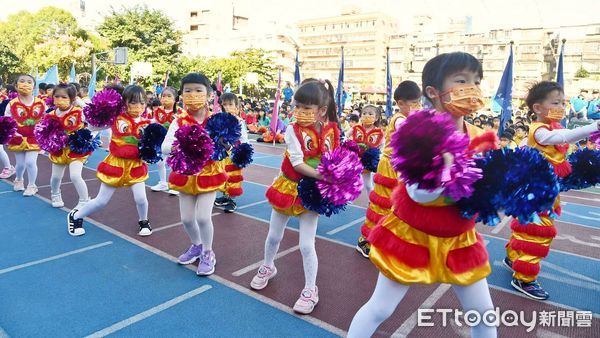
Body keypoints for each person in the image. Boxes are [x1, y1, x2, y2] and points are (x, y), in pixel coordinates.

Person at [348, 52, 496, 338]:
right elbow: (418, 194)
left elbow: (485, 191)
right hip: (411, 236)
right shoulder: (416, 132)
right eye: (462, 81)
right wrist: (450, 173)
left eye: (476, 81)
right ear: (433, 92)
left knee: (484, 317)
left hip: (460, 239)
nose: (473, 89)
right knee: (380, 309)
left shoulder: (479, 134)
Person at [504, 81, 600, 300]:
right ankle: (523, 278)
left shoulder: (554, 127)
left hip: (544, 188)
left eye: (562, 102)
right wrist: (595, 127)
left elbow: (563, 136)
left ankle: (513, 257)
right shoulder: (540, 131)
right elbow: (563, 138)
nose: (561, 107)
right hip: (537, 192)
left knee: (527, 226)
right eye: (555, 103)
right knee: (539, 232)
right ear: (538, 108)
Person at [251, 79, 340, 315]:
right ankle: (268, 266)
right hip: (288, 187)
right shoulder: (292, 129)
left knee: (306, 244)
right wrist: (327, 177)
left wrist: (340, 174)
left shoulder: (332, 129)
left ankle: (311, 288)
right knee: (273, 236)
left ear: (321, 110)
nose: (299, 112)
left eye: (306, 108)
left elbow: (335, 157)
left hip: (312, 192)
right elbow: (298, 164)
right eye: (297, 106)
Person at [162, 73, 229, 276]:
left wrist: (225, 144)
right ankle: (196, 245)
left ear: (209, 95)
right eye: (188, 91)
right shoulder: (179, 121)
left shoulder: (217, 121)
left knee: (202, 217)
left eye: (198, 90)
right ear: (181, 95)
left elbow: (235, 142)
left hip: (209, 175)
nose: (193, 95)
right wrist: (183, 145)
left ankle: (208, 252)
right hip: (185, 174)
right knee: (187, 219)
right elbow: (165, 146)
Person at [67, 85, 152, 237]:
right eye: (133, 102)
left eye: (141, 102)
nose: (137, 106)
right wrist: (91, 112)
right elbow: (93, 125)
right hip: (115, 164)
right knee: (101, 201)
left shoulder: (147, 122)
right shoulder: (116, 119)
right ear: (124, 102)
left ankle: (143, 221)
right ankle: (76, 216)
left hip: (136, 166)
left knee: (141, 198)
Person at [357, 80, 421, 258]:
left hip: (401, 167)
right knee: (382, 203)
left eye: (419, 102)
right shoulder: (400, 119)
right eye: (414, 103)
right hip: (390, 167)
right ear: (401, 103)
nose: (418, 106)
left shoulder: (409, 118)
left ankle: (389, 238)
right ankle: (366, 240)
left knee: (398, 205)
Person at [43, 84, 92, 209]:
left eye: (64, 97)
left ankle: (84, 200)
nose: (60, 99)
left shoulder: (79, 112)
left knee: (75, 175)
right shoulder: (50, 114)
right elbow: (44, 131)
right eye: (57, 96)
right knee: (55, 177)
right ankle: (55, 194)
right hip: (58, 149)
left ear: (72, 98)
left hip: (76, 149)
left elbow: (93, 119)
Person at [5, 74, 46, 195]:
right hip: (17, 137)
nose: (25, 84)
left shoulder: (41, 103)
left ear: (34, 87)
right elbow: (7, 121)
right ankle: (19, 179)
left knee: (30, 162)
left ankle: (32, 185)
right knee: (20, 163)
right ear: (16, 86)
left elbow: (46, 120)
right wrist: (11, 133)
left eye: (29, 82)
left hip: (34, 137)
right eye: (22, 81)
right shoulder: (11, 104)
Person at [214, 92, 249, 213]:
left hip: (233, 152)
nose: (228, 107)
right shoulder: (219, 119)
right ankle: (225, 196)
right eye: (225, 104)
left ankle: (232, 200)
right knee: (221, 174)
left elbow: (244, 139)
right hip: (221, 153)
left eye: (230, 104)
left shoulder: (239, 121)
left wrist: (242, 152)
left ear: (237, 106)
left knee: (233, 176)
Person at [345, 104, 384, 196]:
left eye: (370, 114)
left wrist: (379, 155)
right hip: (354, 158)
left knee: (368, 184)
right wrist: (347, 144)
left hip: (367, 161)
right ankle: (348, 197)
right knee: (350, 179)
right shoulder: (356, 128)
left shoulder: (378, 132)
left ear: (376, 117)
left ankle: (371, 200)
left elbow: (382, 144)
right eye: (364, 113)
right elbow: (345, 135)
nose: (367, 116)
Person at [150, 86, 180, 193]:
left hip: (174, 141)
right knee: (160, 162)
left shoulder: (180, 112)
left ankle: (175, 185)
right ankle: (163, 183)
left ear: (175, 99)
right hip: (160, 140)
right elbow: (155, 120)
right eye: (163, 96)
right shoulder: (158, 111)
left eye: (169, 96)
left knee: (174, 163)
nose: (165, 98)